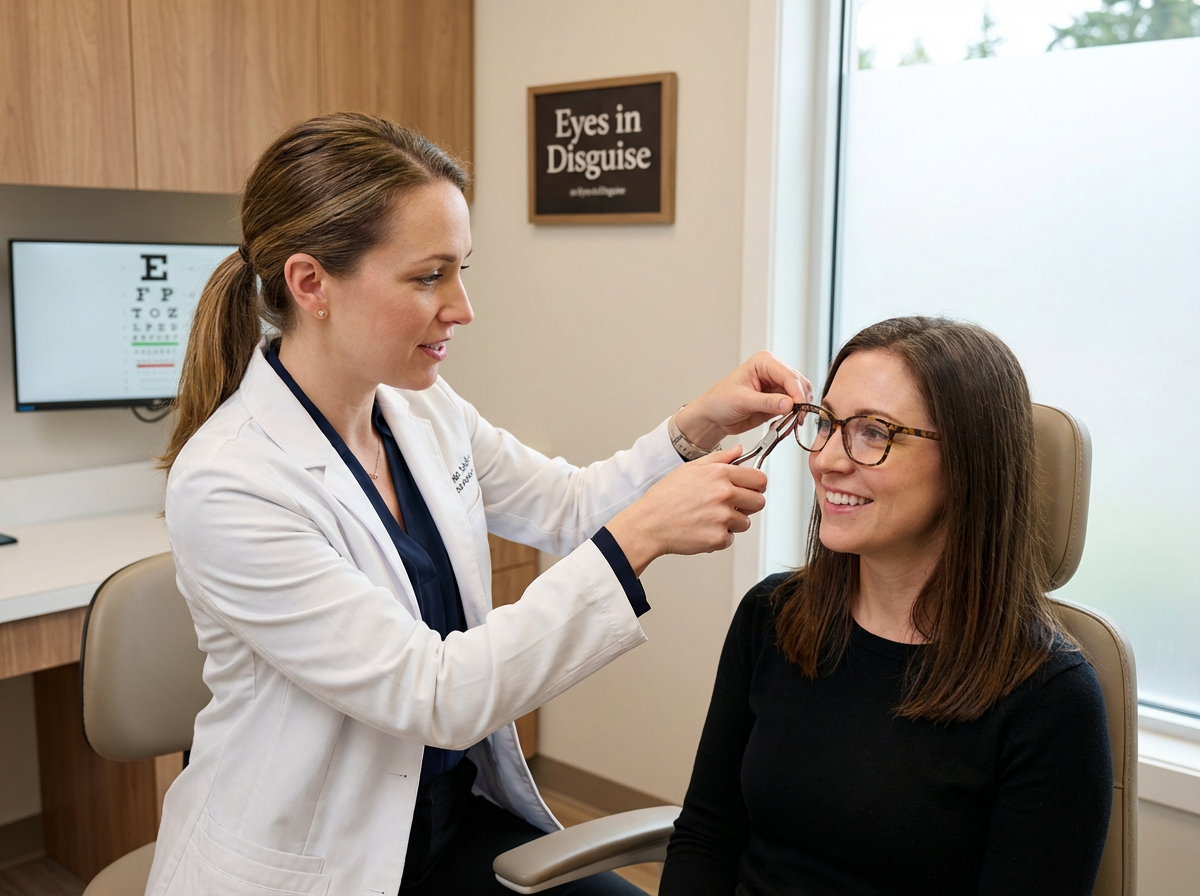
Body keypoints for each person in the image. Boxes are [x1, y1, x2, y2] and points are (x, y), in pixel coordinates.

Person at [146, 112, 811, 896]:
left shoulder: (420, 410)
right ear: (310, 283)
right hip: (313, 859)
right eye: (429, 276)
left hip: (446, 822)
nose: (462, 307)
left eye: (462, 270)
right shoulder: (231, 482)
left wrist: (692, 429)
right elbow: (436, 695)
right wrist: (642, 536)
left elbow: (566, 506)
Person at [660, 317, 1113, 896]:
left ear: (969, 464)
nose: (826, 460)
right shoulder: (773, 615)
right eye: (825, 423)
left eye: (875, 432)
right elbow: (707, 834)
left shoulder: (1050, 700)